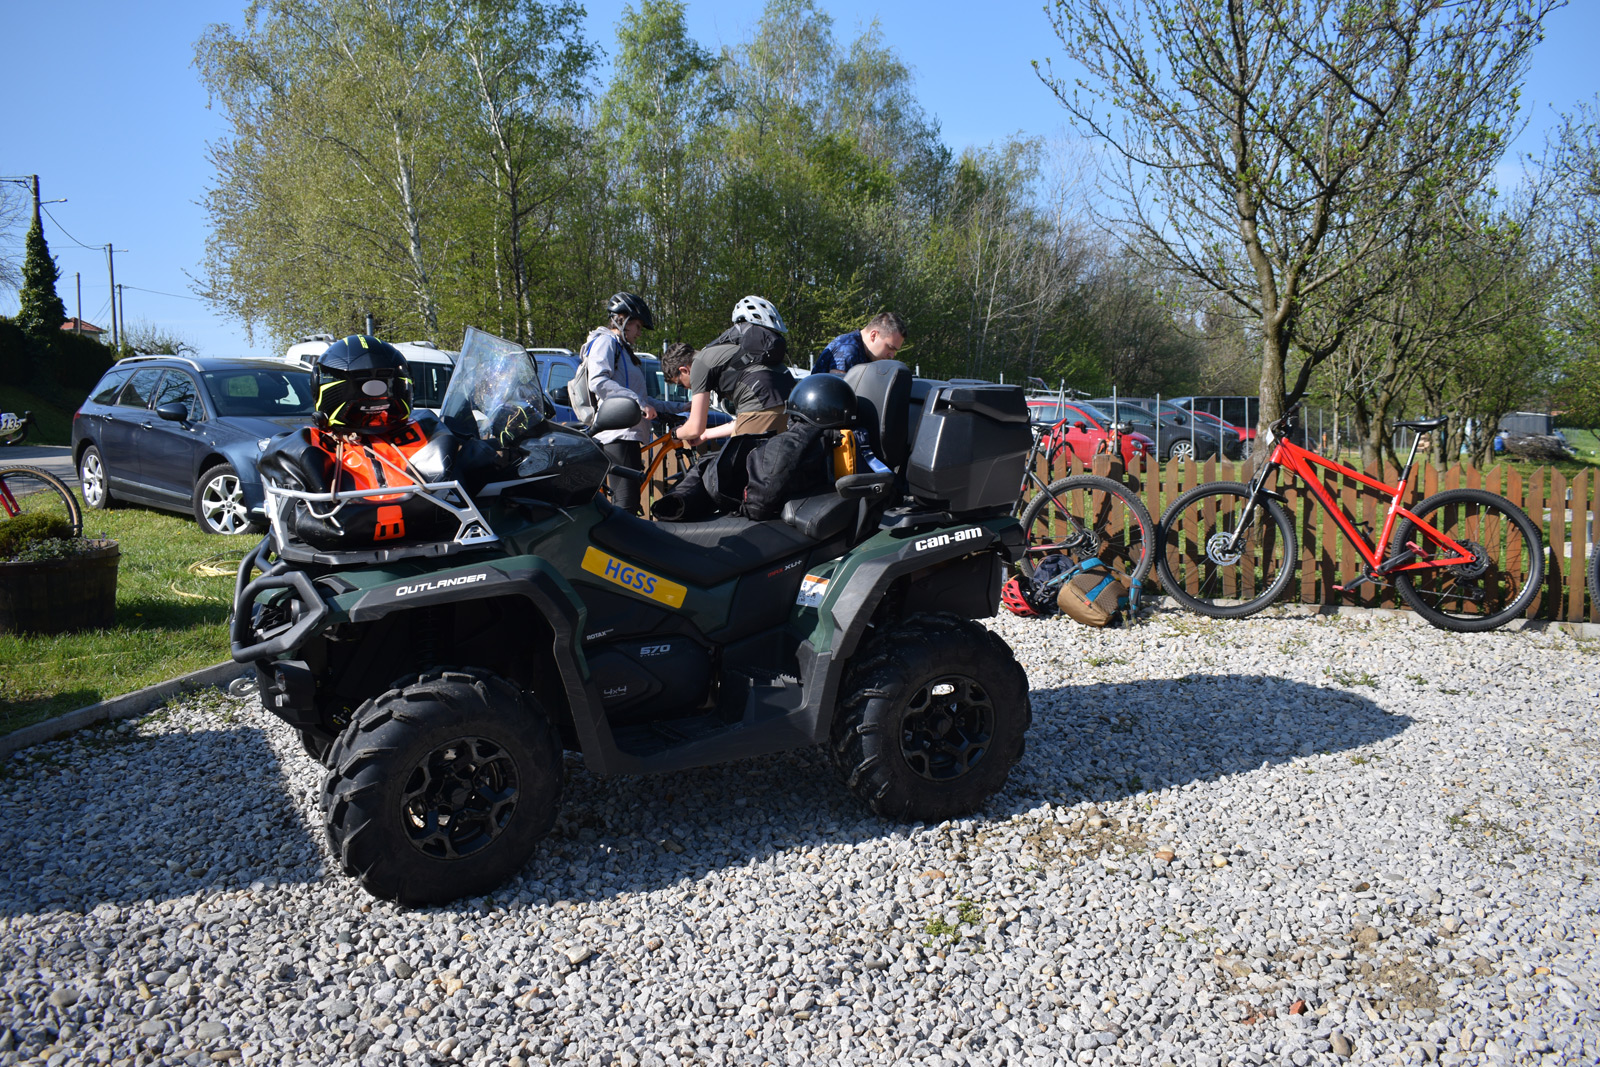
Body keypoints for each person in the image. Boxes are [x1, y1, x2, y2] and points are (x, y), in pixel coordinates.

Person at [577, 292, 685, 512]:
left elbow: (643, 400)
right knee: (625, 507)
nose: (639, 332)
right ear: (622, 319)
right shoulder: (605, 342)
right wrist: (637, 402)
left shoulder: (623, 350)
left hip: (628, 433)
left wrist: (681, 407)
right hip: (617, 433)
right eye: (637, 326)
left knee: (630, 505)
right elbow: (598, 381)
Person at [675, 296, 796, 447]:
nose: (686, 388)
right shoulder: (744, 350)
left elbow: (694, 427)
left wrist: (674, 433)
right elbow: (748, 419)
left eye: (680, 384)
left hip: (761, 402)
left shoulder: (701, 363)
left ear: (684, 370)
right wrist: (706, 434)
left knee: (736, 466)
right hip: (791, 401)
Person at [809, 311, 907, 376]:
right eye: (890, 347)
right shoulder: (847, 350)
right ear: (873, 335)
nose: (892, 355)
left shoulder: (867, 353)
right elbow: (837, 394)